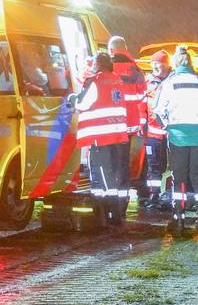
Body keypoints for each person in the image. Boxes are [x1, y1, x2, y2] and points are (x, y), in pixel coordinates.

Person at [150, 46, 198, 233]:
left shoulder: (169, 83)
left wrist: (167, 125)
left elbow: (157, 110)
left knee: (179, 178)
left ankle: (179, 219)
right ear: (190, 62)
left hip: (177, 136)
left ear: (175, 63)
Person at [73, 53, 133, 227]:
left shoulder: (97, 81)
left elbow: (82, 104)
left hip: (101, 136)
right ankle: (103, 213)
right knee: (110, 173)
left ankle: (111, 215)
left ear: (98, 65)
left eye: (93, 65)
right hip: (117, 135)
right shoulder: (116, 80)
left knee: (103, 174)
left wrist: (72, 99)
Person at [109, 37, 146, 216]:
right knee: (123, 163)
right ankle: (122, 202)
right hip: (129, 125)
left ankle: (109, 201)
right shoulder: (136, 70)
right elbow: (142, 98)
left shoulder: (107, 66)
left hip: (110, 124)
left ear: (111, 50)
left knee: (109, 161)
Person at [141, 50, 172, 209]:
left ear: (166, 64)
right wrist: (142, 125)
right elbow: (142, 105)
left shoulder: (173, 80)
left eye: (158, 63)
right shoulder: (147, 82)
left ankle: (170, 195)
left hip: (172, 132)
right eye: (153, 64)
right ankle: (154, 195)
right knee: (154, 166)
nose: (155, 67)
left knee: (173, 166)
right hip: (153, 132)